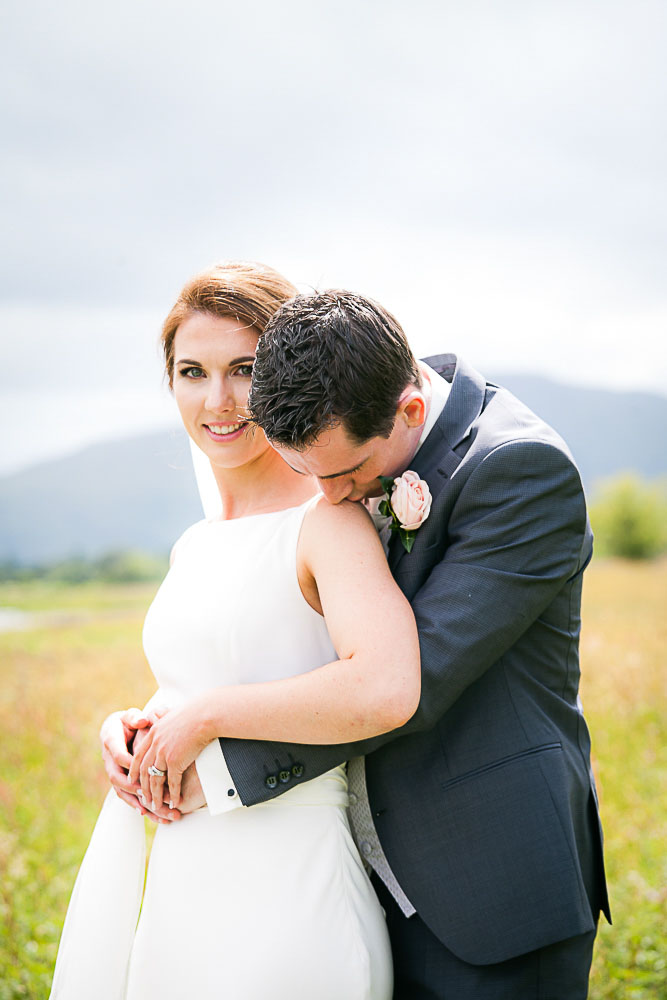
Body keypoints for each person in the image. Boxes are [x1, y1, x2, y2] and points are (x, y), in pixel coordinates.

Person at [123, 289, 611, 999]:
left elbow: (409, 683)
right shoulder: (350, 402)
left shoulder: (519, 472)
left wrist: (213, 751)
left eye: (346, 473)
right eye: (308, 474)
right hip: (356, 877)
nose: (330, 496)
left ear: (410, 410)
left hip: (487, 878)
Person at [50, 264, 423, 999]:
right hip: (185, 881)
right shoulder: (194, 542)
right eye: (192, 372)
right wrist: (134, 727)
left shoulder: (327, 526)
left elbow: (382, 686)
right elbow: (204, 676)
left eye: (244, 370)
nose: (217, 400)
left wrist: (204, 719)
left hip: (290, 891)